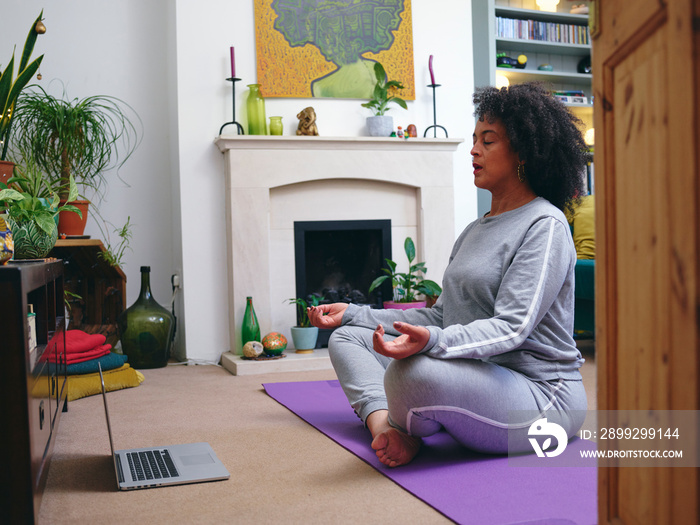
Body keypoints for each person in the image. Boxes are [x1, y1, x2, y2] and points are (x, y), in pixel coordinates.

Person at [308, 82, 590, 467]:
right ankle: (387, 428)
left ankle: (406, 421)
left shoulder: (545, 225)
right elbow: (441, 316)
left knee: (411, 373)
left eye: (488, 141)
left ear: (524, 151)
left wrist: (431, 343)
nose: (473, 150)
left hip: (541, 397)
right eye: (474, 139)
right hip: (476, 378)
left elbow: (512, 328)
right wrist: (355, 314)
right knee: (349, 338)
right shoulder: (475, 231)